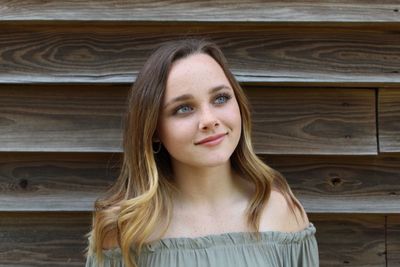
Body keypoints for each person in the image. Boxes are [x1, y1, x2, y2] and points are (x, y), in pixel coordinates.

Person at [85, 38, 319, 267]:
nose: (209, 120)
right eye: (184, 108)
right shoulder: (124, 230)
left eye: (221, 98)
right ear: (153, 129)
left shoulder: (281, 213)